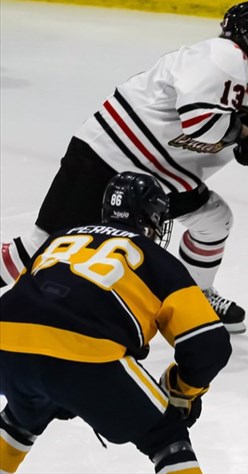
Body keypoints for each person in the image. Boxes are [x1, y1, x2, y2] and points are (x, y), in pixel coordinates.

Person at [0, 1, 248, 334]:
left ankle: (197, 299)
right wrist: (244, 132)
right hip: (108, 159)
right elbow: (201, 122)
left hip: (163, 179)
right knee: (40, 247)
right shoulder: (222, 56)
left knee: (214, 220)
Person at [0, 172, 232, 473]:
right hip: (85, 354)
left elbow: (31, 303)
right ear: (151, 219)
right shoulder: (157, 260)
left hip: (5, 342)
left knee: (22, 415)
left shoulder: (59, 238)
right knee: (165, 436)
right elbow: (209, 344)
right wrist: (182, 390)